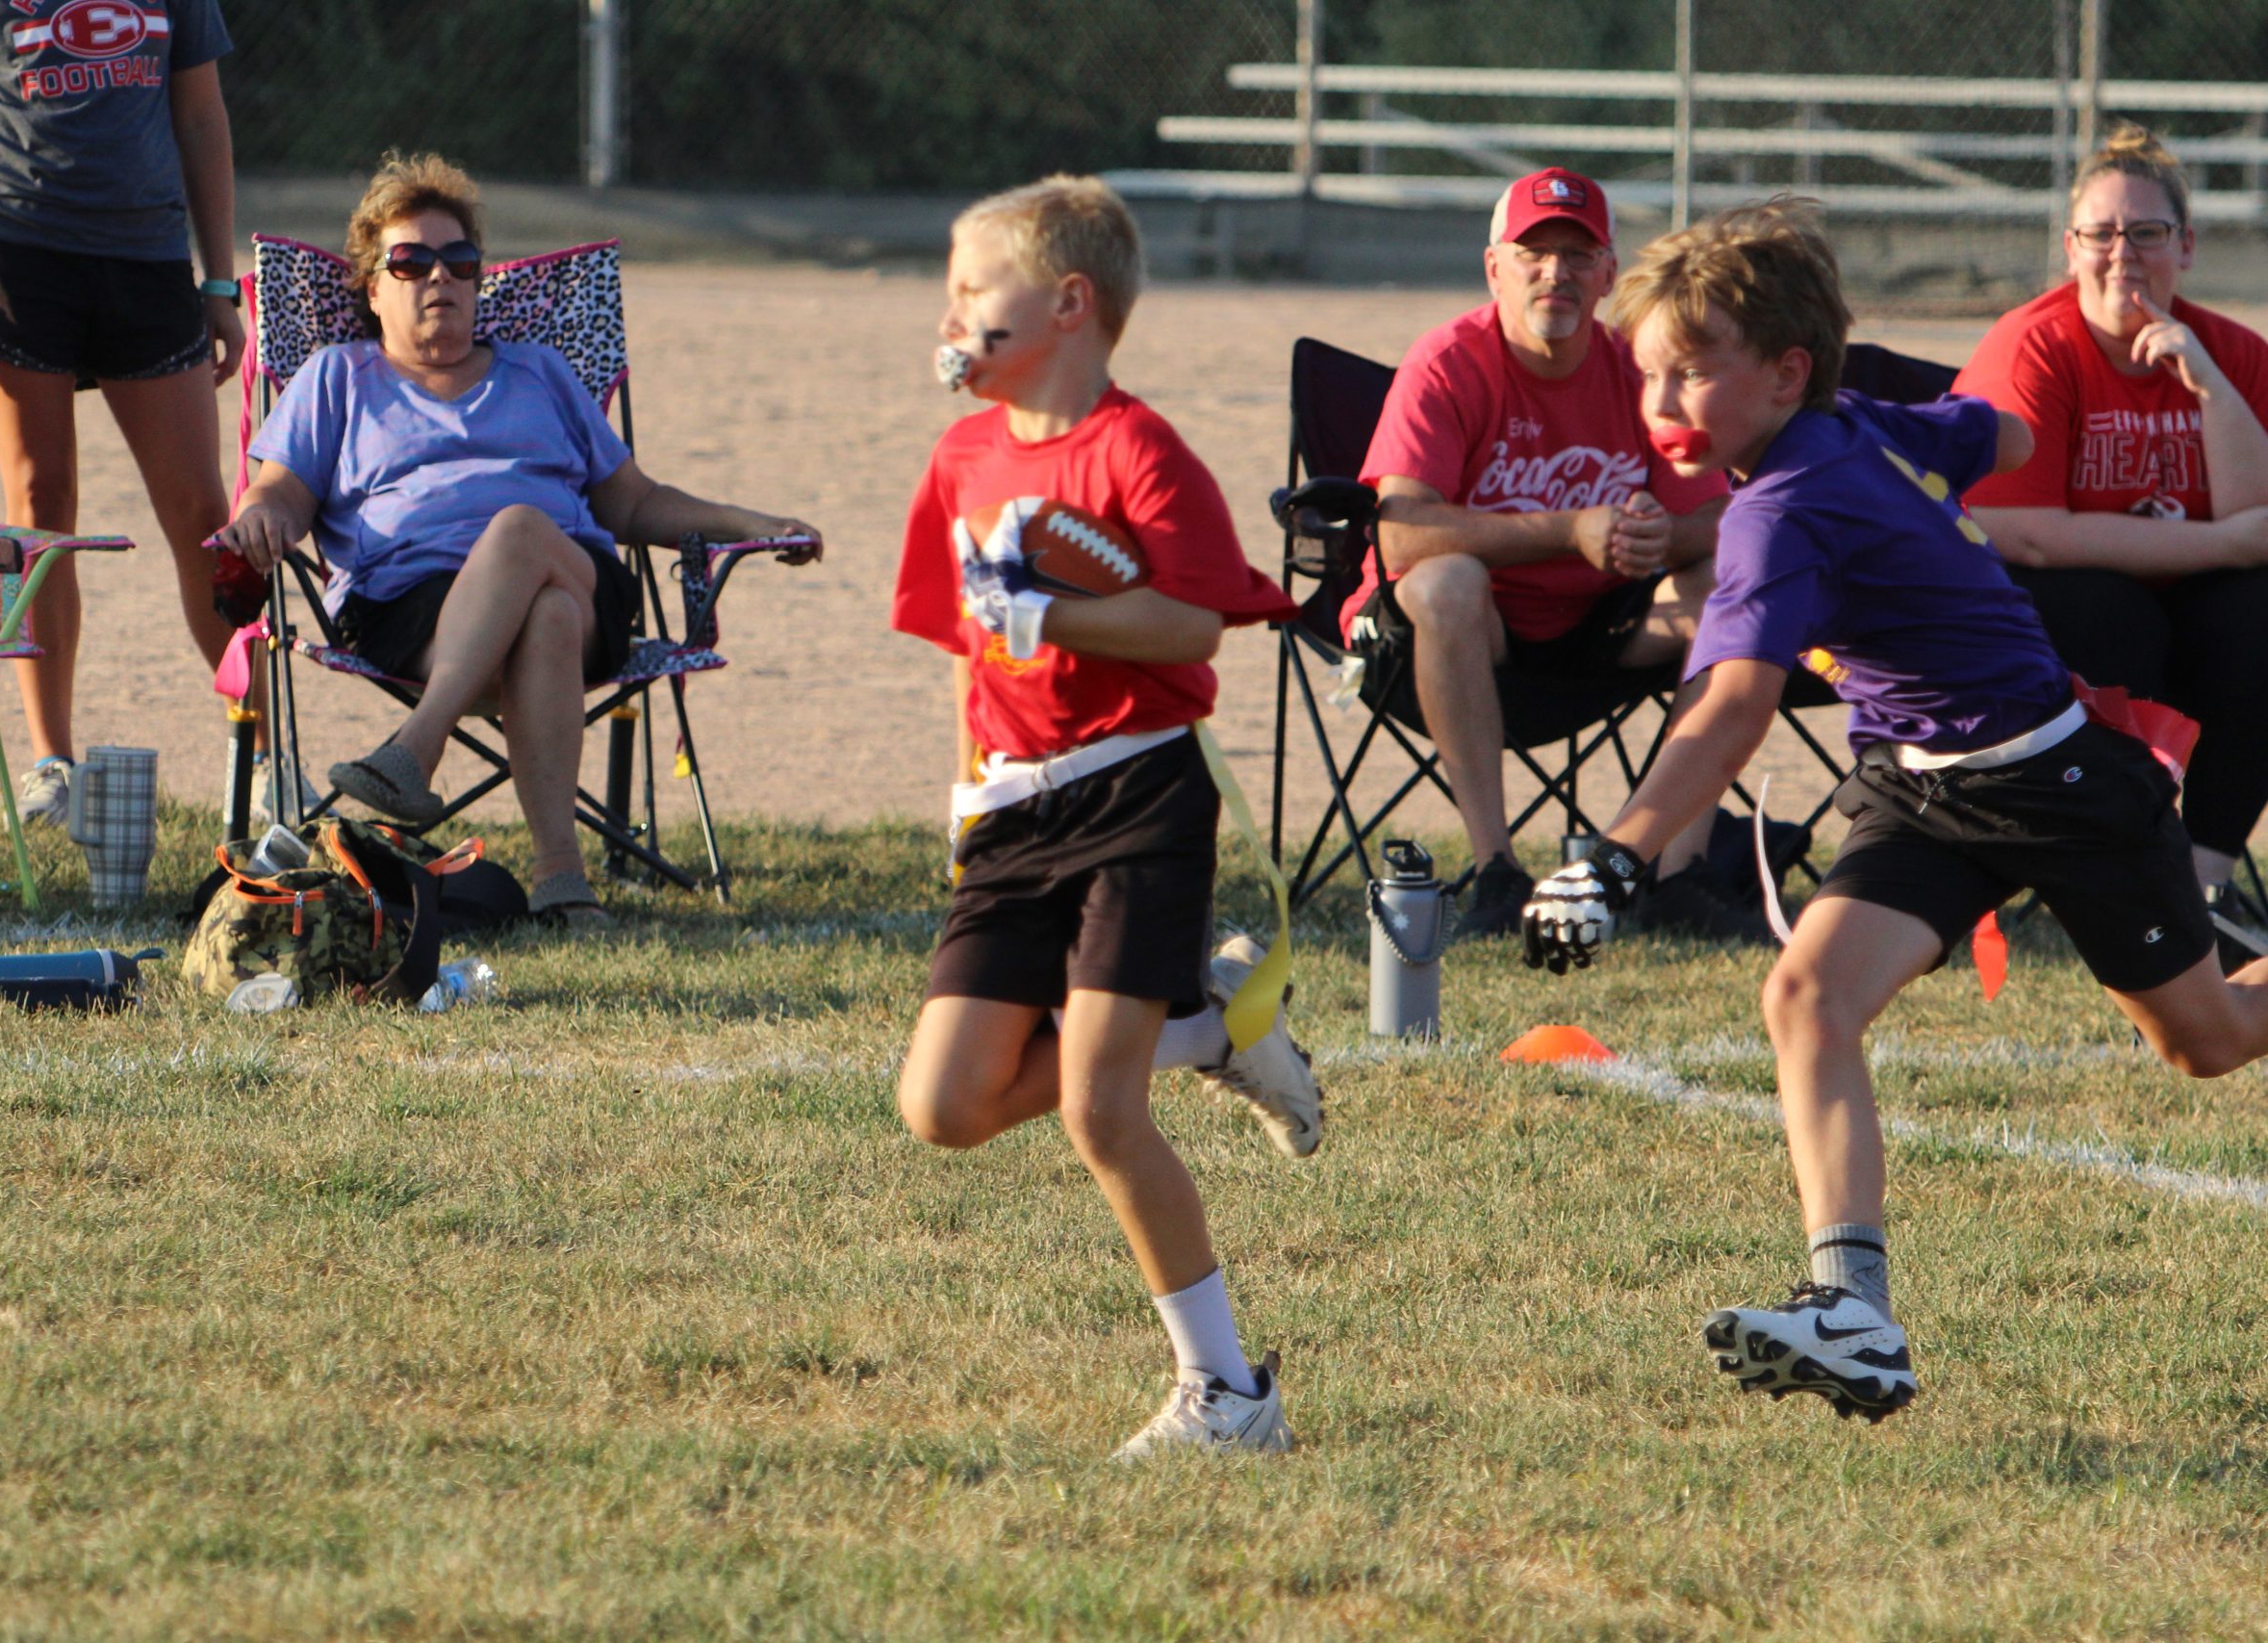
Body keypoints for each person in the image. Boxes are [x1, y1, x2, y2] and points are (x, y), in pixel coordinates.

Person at [1517, 196, 2268, 1424]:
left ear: (1786, 373)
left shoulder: (1776, 511)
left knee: (2208, 1042)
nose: (1658, 402)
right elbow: (2001, 431)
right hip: (1920, 784)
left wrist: (1613, 858)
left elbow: (1729, 709)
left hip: (2053, 782)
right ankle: (1852, 1314)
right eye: (1647, 374)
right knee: (1806, 997)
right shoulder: (1854, 424)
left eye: (1690, 372)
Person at [891, 176, 1319, 1458]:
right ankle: (1210, 1025)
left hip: (1137, 792)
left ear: (1070, 304)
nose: (953, 314)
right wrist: (966, 788)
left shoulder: (1140, 450)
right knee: (945, 1106)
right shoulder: (962, 456)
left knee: (1099, 1111)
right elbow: (963, 645)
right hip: (1012, 809)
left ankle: (1227, 1392)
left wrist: (1058, 615)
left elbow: (1191, 625)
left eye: (977, 288)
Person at [216, 153, 819, 931]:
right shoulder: (338, 377)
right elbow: (280, 491)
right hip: (409, 610)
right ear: (372, 288)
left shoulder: (540, 372)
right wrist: (260, 515)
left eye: (459, 261)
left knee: (525, 531)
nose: (440, 276)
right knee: (545, 612)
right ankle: (562, 880)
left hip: (584, 582)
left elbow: (634, 503)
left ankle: (415, 747)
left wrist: (752, 523)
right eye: (411, 262)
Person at [1350, 167, 1762, 944]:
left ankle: (1677, 873)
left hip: (1600, 624)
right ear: (1494, 268)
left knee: (1730, 581)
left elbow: (1723, 515)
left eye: (1578, 255)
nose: (1555, 273)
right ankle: (1497, 870)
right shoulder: (1446, 362)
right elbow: (1399, 535)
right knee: (1444, 582)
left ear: (1609, 275)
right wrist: (1569, 530)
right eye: (1534, 253)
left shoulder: (1639, 367)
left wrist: (1662, 539)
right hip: (1462, 640)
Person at [0, 0, 270, 828]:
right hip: (9, 247)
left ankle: (269, 756)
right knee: (40, 502)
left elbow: (201, 116)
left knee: (203, 514)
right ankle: (50, 763)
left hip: (147, 255)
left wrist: (217, 280)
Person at [1954, 125, 2268, 958]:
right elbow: (2023, 532)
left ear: (2186, 246)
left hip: (2186, 615)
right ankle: (2127, 869)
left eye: (2147, 232)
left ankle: (2202, 882)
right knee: (2109, 609)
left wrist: (2208, 385)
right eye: (2101, 233)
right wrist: (2223, 546)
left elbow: (2260, 524)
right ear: (2071, 249)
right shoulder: (2034, 346)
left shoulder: (2231, 353)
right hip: (2050, 619)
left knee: (2260, 614)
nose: (2122, 253)